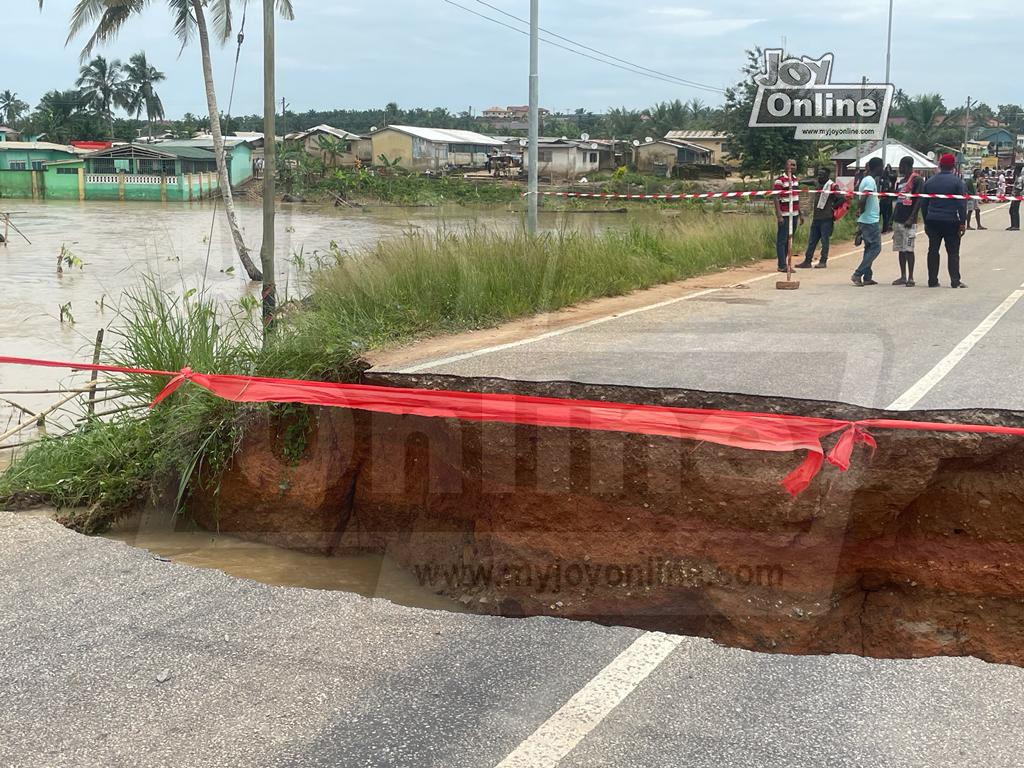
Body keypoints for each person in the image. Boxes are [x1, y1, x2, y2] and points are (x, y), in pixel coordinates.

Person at [921, 153, 968, 288]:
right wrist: (962, 222)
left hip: (933, 220)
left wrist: (926, 220)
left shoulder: (929, 182)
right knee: (953, 252)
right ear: (953, 166)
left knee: (933, 250)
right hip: (951, 221)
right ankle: (955, 280)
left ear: (940, 165)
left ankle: (932, 280)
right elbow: (961, 204)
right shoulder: (958, 182)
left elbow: (924, 204)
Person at [796, 167, 840, 269]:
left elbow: (841, 199)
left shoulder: (832, 186)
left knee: (824, 241)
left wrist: (832, 207)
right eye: (818, 174)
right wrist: (799, 181)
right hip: (816, 218)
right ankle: (807, 261)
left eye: (821, 175)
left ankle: (823, 261)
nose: (819, 177)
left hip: (826, 218)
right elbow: (811, 181)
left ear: (827, 176)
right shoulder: (818, 184)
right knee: (812, 240)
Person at [890, 156, 924, 287]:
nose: (899, 168)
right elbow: (899, 201)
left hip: (909, 220)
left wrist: (912, 217)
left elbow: (919, 200)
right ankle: (903, 276)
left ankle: (911, 277)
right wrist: (892, 218)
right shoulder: (902, 181)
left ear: (907, 165)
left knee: (909, 249)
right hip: (899, 219)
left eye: (900, 166)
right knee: (900, 249)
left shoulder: (917, 180)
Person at [851, 157, 884, 286]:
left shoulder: (867, 179)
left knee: (869, 247)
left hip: (867, 219)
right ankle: (858, 273)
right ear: (877, 167)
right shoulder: (870, 180)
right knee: (876, 248)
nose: (883, 169)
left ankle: (868, 276)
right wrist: (861, 210)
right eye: (881, 166)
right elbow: (864, 198)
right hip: (870, 219)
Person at [773, 158, 801, 273]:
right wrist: (779, 215)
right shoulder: (780, 181)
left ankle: (784, 263)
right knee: (782, 240)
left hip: (794, 214)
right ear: (786, 166)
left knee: (790, 239)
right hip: (785, 214)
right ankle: (782, 265)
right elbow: (775, 197)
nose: (792, 167)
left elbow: (796, 197)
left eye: (794, 165)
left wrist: (801, 213)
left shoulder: (795, 180)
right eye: (790, 165)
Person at [880, 164, 896, 233]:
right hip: (884, 198)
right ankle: (885, 228)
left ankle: (888, 227)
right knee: (884, 214)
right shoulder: (883, 179)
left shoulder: (892, 178)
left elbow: (893, 177)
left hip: (889, 197)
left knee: (888, 213)